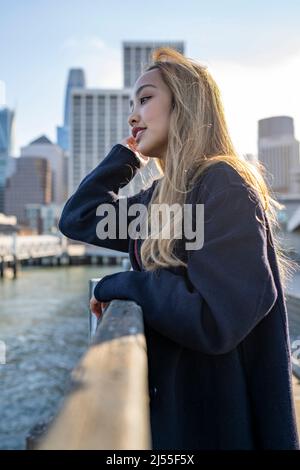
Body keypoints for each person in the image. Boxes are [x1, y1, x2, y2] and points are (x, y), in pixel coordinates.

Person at [58, 47, 299, 449]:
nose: (133, 115)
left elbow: (216, 319)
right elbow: (79, 218)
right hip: (179, 422)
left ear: (184, 103)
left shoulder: (222, 185)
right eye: (131, 105)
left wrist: (121, 285)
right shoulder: (161, 202)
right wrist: (125, 156)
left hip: (224, 430)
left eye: (146, 98)